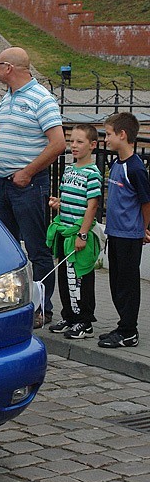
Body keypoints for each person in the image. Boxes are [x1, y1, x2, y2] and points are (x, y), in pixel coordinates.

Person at [0, 47, 65, 328]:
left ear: (9, 68)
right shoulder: (7, 99)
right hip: (4, 183)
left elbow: (58, 143)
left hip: (28, 183)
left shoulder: (41, 99)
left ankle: (42, 308)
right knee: (4, 246)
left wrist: (28, 171)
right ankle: (10, 303)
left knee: (36, 248)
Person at [99, 113, 150, 348]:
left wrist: (144, 228)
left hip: (130, 234)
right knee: (116, 282)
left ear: (122, 135)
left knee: (128, 283)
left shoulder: (136, 168)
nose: (106, 139)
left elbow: (145, 201)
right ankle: (122, 325)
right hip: (115, 232)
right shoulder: (116, 163)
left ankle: (129, 331)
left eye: (109, 134)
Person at [46, 124, 102, 340]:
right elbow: (71, 200)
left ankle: (85, 321)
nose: (74, 146)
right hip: (65, 232)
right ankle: (69, 316)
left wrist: (83, 234)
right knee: (65, 276)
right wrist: (59, 203)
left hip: (78, 234)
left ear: (92, 145)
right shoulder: (69, 170)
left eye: (80, 142)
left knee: (80, 278)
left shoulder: (93, 173)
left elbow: (92, 205)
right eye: (72, 141)